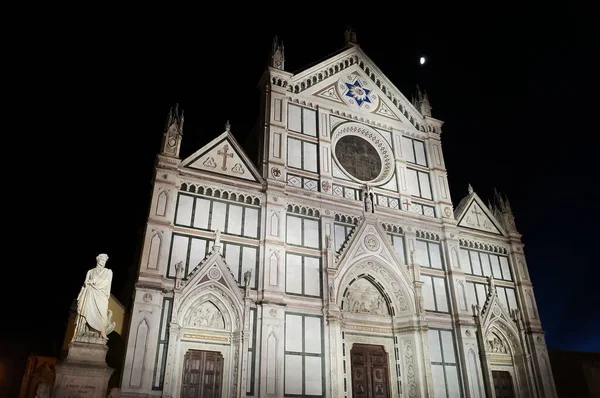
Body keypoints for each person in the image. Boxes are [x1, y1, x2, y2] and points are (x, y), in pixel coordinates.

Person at [73, 253, 113, 342]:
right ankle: (86, 332)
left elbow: (106, 282)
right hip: (90, 294)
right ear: (98, 260)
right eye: (102, 259)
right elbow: (85, 283)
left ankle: (101, 331)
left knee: (102, 313)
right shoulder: (90, 271)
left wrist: (93, 281)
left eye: (105, 260)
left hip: (101, 295)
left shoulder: (108, 272)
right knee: (88, 311)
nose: (103, 261)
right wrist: (88, 283)